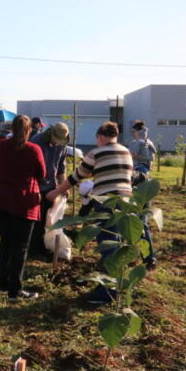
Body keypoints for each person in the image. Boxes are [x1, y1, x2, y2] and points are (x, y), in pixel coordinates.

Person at [47, 122, 133, 303]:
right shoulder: (126, 152)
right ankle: (119, 286)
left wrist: (55, 192)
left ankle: (107, 293)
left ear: (100, 137)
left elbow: (76, 176)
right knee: (118, 243)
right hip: (127, 203)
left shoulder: (97, 153)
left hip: (107, 202)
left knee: (108, 244)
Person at [0, 115, 46, 300]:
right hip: (22, 202)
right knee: (20, 247)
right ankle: (15, 290)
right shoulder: (33, 149)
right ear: (29, 130)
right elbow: (42, 173)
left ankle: (3, 285)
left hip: (0, 200)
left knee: (5, 242)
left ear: (12, 128)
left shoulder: (1, 146)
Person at [27, 122, 69, 258]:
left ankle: (45, 246)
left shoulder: (62, 145)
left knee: (49, 219)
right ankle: (34, 250)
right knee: (37, 221)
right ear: (51, 133)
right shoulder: (37, 141)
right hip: (36, 186)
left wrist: (63, 186)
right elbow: (31, 168)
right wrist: (36, 190)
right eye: (56, 140)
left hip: (51, 187)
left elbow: (61, 167)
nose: (58, 143)